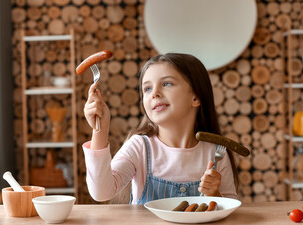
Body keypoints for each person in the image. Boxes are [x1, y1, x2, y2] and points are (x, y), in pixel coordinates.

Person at [83, 53, 238, 204]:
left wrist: (215, 194)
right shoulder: (139, 147)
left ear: (196, 97)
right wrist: (100, 130)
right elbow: (101, 192)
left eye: (166, 84)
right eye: (147, 89)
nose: (154, 94)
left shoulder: (217, 153)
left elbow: (231, 206)